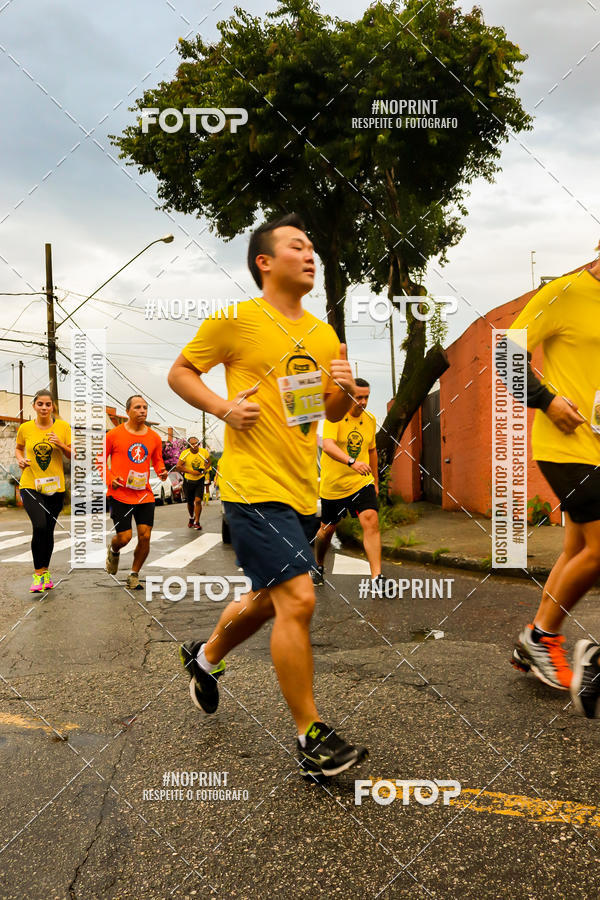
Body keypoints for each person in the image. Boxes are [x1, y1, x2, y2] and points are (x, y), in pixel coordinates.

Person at [168, 213, 368, 778]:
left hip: (304, 489)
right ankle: (311, 736)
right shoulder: (237, 320)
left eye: (313, 248)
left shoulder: (324, 333)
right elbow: (181, 372)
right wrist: (223, 406)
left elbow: (322, 412)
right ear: (265, 261)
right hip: (252, 488)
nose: (311, 255)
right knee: (299, 599)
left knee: (269, 598)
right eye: (297, 246)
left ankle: (205, 659)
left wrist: (345, 391)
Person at [506, 252, 600, 715]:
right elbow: (507, 353)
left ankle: (533, 642)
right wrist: (545, 400)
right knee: (599, 551)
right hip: (566, 444)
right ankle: (542, 636)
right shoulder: (563, 291)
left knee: (578, 550)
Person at [312, 378, 382, 592]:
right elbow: (328, 445)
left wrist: (376, 482)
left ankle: (377, 578)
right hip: (334, 485)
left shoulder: (370, 419)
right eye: (358, 397)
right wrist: (351, 462)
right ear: (348, 396)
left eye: (366, 397)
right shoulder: (335, 417)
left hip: (361, 482)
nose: (363, 402)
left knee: (371, 519)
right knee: (326, 531)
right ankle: (318, 565)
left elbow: (372, 452)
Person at [102, 395, 167, 590]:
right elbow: (100, 460)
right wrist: (110, 478)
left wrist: (162, 470)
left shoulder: (154, 437)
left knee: (145, 536)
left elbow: (157, 460)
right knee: (125, 537)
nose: (142, 411)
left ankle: (134, 574)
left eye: (145, 407)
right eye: (138, 407)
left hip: (144, 494)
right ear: (128, 411)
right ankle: (113, 550)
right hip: (120, 493)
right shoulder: (113, 435)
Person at [15, 389, 72, 592]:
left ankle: (45, 572)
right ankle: (38, 574)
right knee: (39, 526)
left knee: (48, 530)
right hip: (31, 485)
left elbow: (73, 454)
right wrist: (20, 460)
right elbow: (19, 448)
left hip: (55, 488)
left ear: (53, 407)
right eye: (40, 404)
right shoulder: (25, 428)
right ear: (34, 406)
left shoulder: (64, 427)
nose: (44, 408)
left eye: (48, 404)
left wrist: (61, 445)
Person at [176, 436, 210, 529]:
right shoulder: (185, 453)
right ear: (189, 445)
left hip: (200, 480)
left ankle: (197, 521)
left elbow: (208, 462)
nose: (195, 445)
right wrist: (192, 472)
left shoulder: (204, 452)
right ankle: (191, 517)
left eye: (197, 443)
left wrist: (204, 470)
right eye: (192, 443)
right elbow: (178, 466)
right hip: (188, 481)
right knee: (190, 502)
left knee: (198, 501)